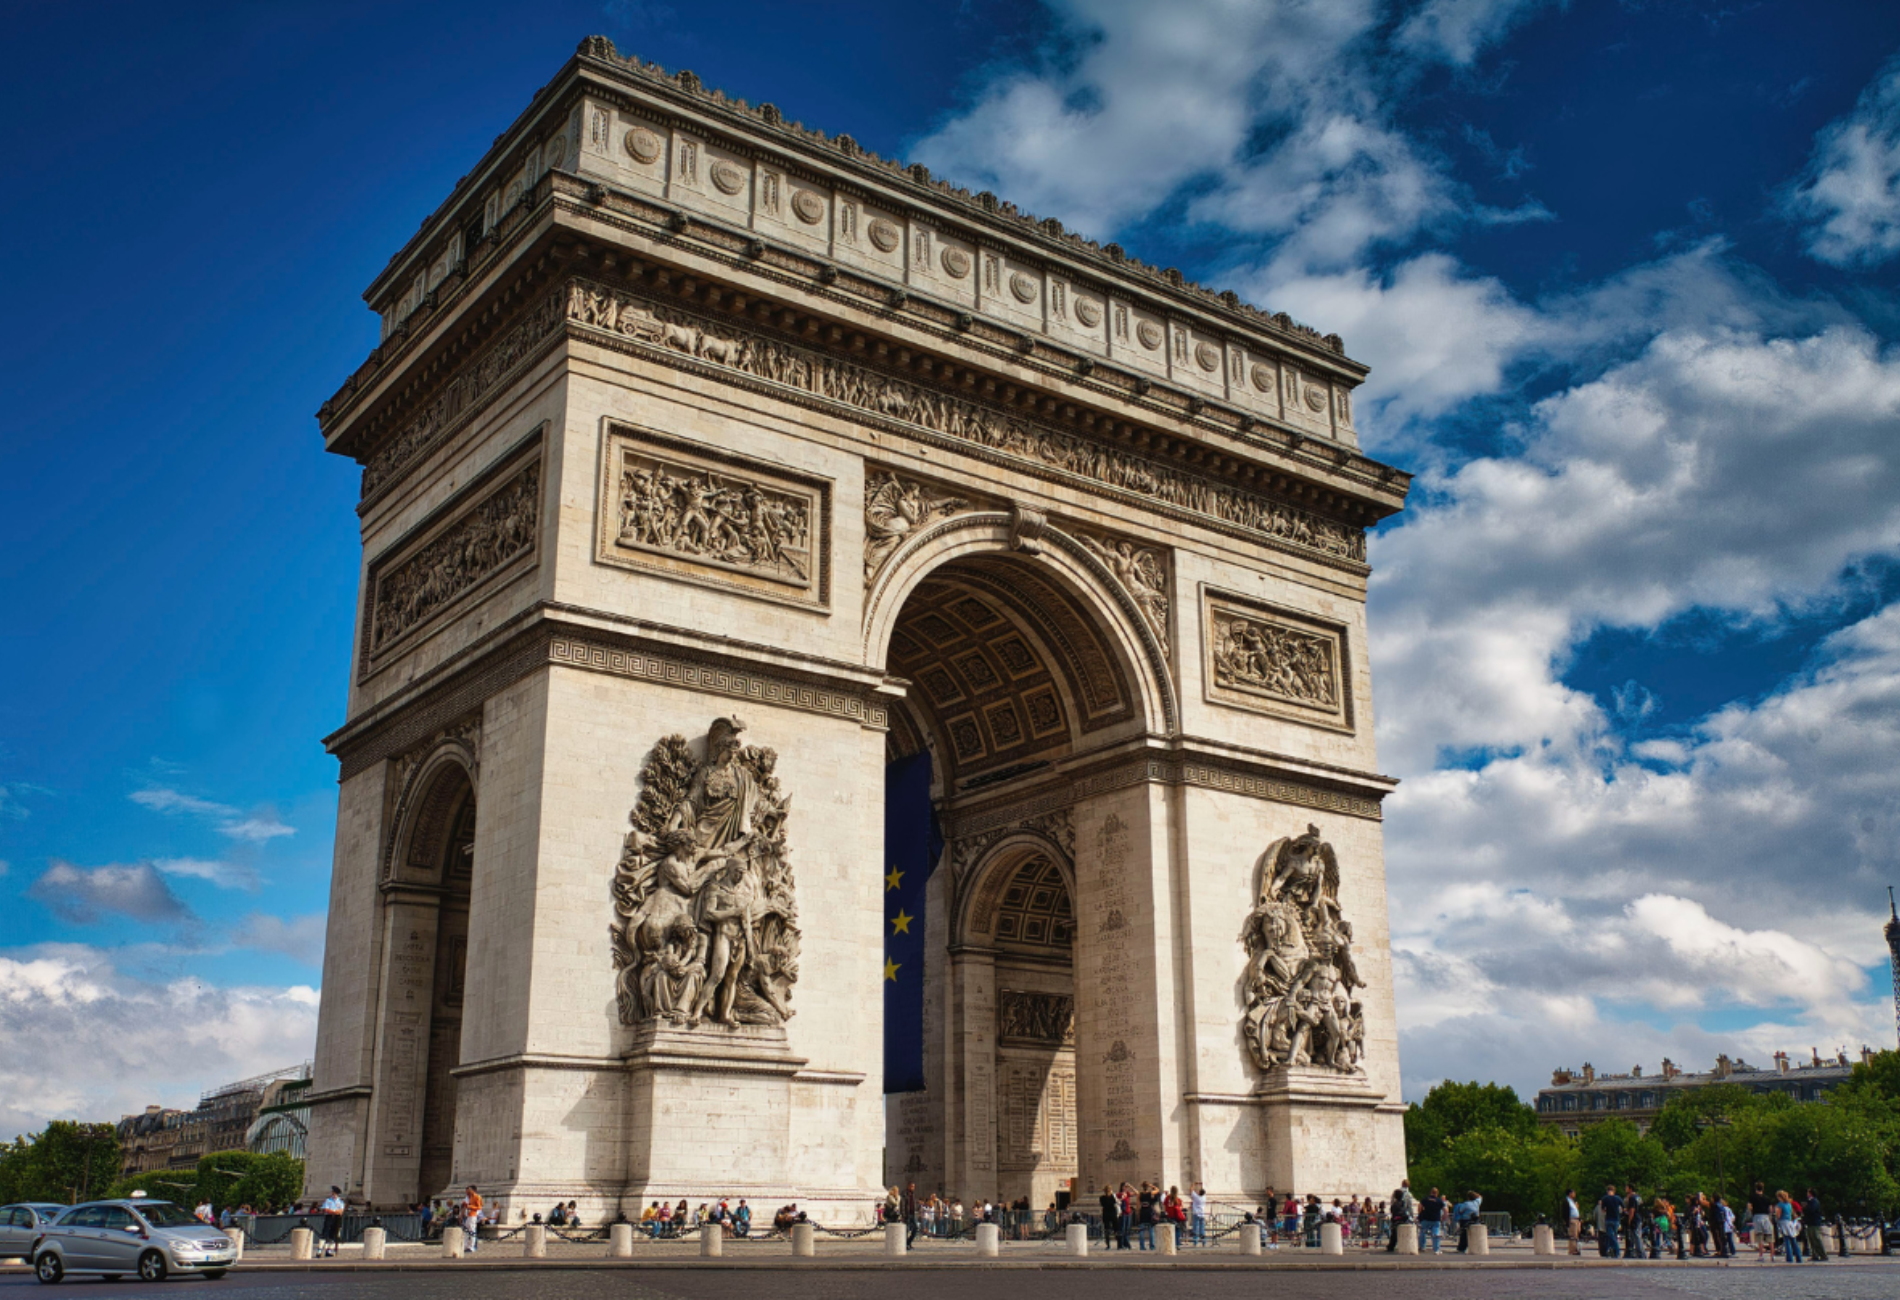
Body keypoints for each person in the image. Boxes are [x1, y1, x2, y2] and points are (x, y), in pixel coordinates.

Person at [1747, 1182, 1774, 1259]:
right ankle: (1772, 1255)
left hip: (1757, 1216)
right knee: (1770, 1236)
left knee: (1759, 1236)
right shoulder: (1767, 1198)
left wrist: (1752, 1211)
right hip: (1766, 1217)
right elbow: (1770, 1209)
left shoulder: (1752, 1197)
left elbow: (1749, 1207)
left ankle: (1761, 1255)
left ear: (1756, 1188)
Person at [1801, 1188, 1828, 1262]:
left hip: (1814, 1222)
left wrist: (1805, 1208)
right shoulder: (1811, 1201)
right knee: (1811, 1239)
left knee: (1816, 1239)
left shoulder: (1814, 1201)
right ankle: (1815, 1254)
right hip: (1810, 1222)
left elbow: (1811, 1210)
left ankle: (1823, 1255)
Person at [319, 1186, 346, 1259]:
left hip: (337, 1218)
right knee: (325, 1232)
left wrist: (335, 1212)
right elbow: (326, 1209)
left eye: (334, 1193)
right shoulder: (328, 1200)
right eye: (332, 1193)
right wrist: (334, 1212)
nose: (332, 1194)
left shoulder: (340, 1201)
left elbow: (341, 1211)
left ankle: (329, 1250)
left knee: (334, 1234)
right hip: (329, 1217)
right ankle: (320, 1250)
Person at [1386, 1179, 1413, 1253]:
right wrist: (1411, 1215)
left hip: (1395, 1218)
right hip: (1404, 1217)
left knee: (1394, 1233)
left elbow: (1392, 1204)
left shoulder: (1395, 1193)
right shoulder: (1408, 1194)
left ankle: (1391, 1246)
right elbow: (1409, 1207)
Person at [1596, 1184, 1622, 1258]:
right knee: (1613, 1236)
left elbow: (1603, 1209)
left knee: (1610, 1236)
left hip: (1608, 1219)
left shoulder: (1605, 1199)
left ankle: (1616, 1251)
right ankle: (1614, 1251)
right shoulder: (1618, 1198)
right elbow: (1622, 1208)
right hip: (1616, 1219)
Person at [1418, 1187, 1444, 1254]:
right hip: (1436, 1219)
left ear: (1431, 1192)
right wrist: (1444, 1217)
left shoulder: (1425, 1199)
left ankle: (1422, 1247)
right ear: (1437, 1193)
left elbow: (1420, 1207)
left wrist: (1420, 1214)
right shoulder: (1439, 1201)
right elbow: (1445, 1210)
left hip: (1426, 1218)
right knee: (1435, 1234)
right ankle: (1436, 1249)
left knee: (1423, 1232)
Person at [1190, 1182, 1208, 1247]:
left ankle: (1195, 1242)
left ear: (1199, 1193)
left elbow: (1191, 1189)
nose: (1197, 1191)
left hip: (1196, 1214)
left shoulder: (1196, 1197)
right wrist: (1200, 1185)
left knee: (1196, 1228)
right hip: (1202, 1214)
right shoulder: (1204, 1197)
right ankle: (1204, 1242)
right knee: (1202, 1229)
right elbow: (1202, 1192)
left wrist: (1194, 1184)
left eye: (1198, 1191)